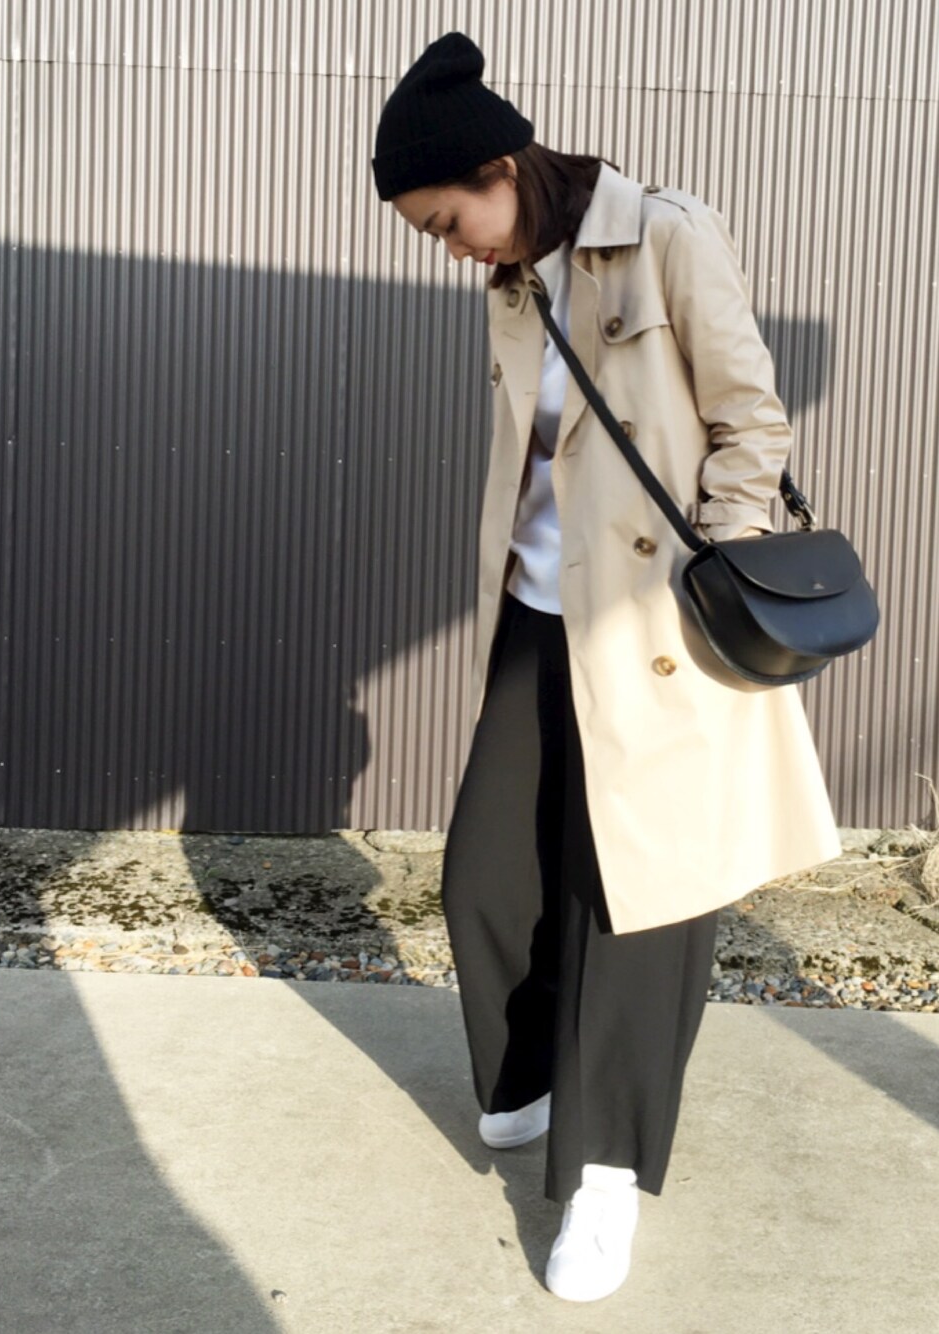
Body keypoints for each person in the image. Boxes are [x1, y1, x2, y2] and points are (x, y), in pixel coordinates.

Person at [372, 32, 840, 1303]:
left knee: (635, 895)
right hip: (540, 613)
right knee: (488, 870)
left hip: (655, 626)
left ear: (498, 168)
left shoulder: (666, 234)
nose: (447, 247)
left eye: (445, 219)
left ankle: (607, 1171)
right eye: (429, 234)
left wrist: (711, 560)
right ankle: (531, 1078)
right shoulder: (512, 280)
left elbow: (750, 417)